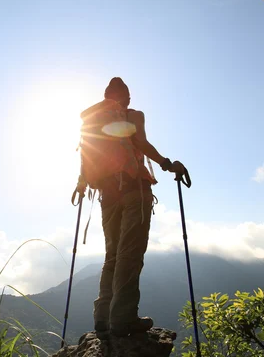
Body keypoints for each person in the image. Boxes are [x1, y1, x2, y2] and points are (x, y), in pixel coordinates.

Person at [79, 77, 187, 338]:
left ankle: (102, 319)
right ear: (126, 98)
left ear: (106, 97)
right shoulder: (133, 114)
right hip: (133, 191)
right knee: (130, 253)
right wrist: (166, 163)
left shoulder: (94, 120)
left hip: (107, 194)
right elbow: (139, 142)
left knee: (112, 255)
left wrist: (82, 183)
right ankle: (123, 319)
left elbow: (88, 154)